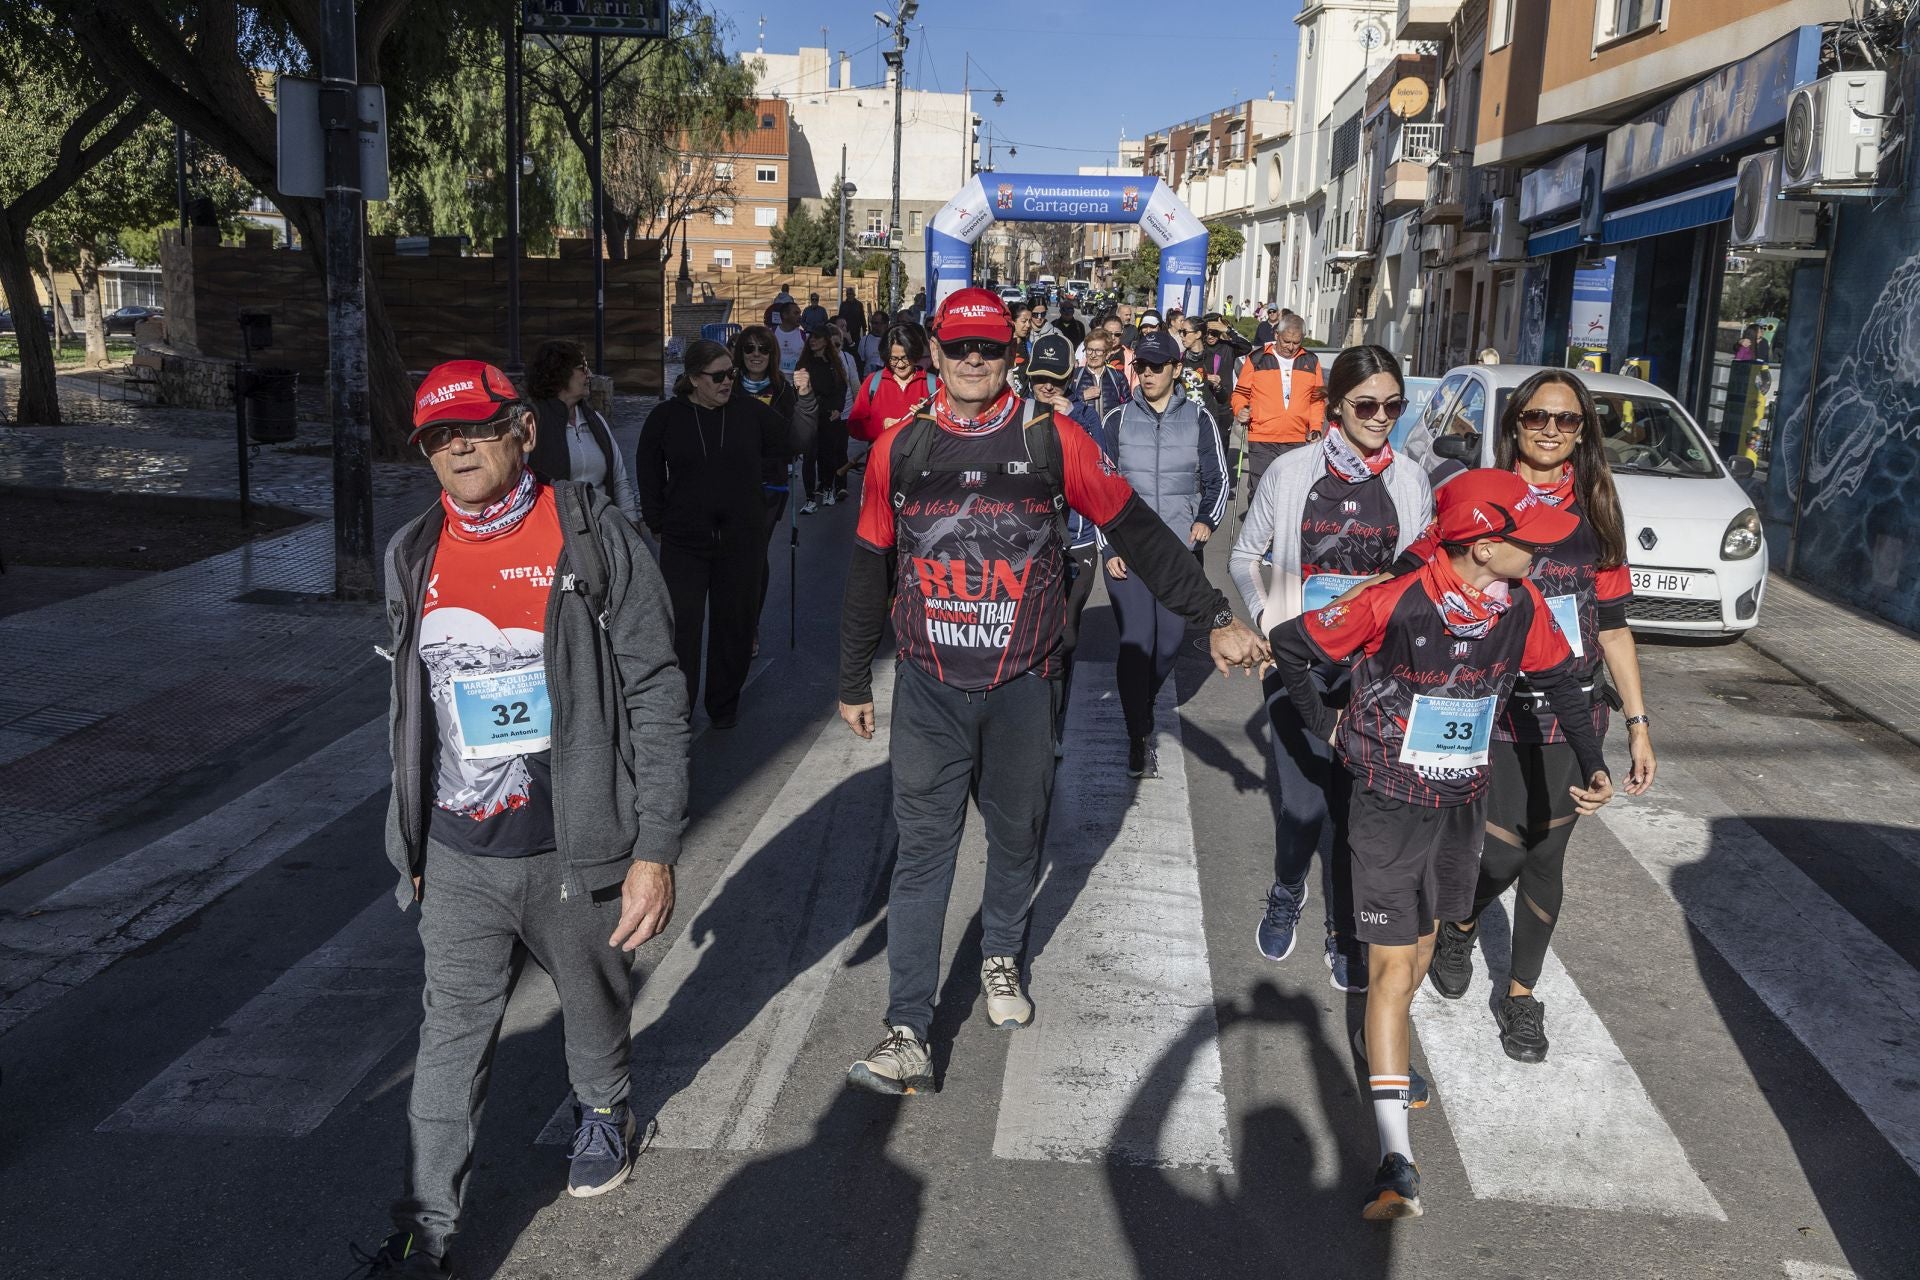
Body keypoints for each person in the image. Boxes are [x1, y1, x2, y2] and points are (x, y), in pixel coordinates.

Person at [836, 288, 1267, 1095]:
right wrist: (853, 677)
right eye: (959, 347)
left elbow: (1136, 528)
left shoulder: (1052, 439)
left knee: (1016, 838)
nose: (973, 361)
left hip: (1025, 683)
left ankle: (1001, 954)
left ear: (1010, 358)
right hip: (930, 687)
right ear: (934, 351)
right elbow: (870, 565)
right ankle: (907, 1028)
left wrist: (1211, 613)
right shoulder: (900, 447)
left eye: (989, 350)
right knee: (923, 857)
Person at [361, 360, 687, 1278]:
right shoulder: (412, 552)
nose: (457, 446)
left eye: (474, 427)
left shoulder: (592, 537)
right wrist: (412, 836)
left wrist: (655, 848)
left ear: (523, 430)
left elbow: (657, 690)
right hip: (460, 852)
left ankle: (604, 1106)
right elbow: (409, 710)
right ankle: (428, 1228)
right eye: (436, 436)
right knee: (450, 1035)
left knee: (594, 1002)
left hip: (574, 842)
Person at [1268, 468, 1613, 1221]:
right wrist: (1326, 728)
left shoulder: (1521, 605)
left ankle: (1384, 1052)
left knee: (1420, 956)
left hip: (1460, 801)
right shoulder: (1393, 599)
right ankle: (1395, 1162)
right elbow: (1290, 646)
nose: (1541, 554)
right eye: (1527, 542)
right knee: (1391, 970)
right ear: (1484, 546)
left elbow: (1562, 683)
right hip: (1388, 804)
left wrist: (1592, 761)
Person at [1424, 371, 1655, 1063]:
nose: (1550, 430)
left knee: (1547, 854)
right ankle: (1461, 918)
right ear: (1515, 424)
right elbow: (1432, 585)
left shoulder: (1597, 512)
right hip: (1486, 704)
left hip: (1571, 706)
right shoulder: (1478, 495)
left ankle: (1522, 995)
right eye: (1535, 417)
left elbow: (1613, 627)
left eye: (1566, 420)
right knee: (1498, 849)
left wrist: (1640, 723)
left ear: (1583, 431)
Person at [1230, 345, 1433, 993]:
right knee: (1299, 807)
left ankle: (1345, 927)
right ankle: (1287, 889)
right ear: (1337, 405)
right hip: (1302, 666)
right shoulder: (1291, 473)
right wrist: (1269, 623)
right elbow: (1243, 556)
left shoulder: (1408, 479)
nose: (1381, 418)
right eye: (1367, 405)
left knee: (1356, 813)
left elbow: (1419, 579)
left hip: (1376, 674)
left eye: (1393, 407)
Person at [636, 339, 793, 728]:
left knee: (734, 627)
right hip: (684, 541)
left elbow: (792, 443)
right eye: (718, 376)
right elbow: (648, 472)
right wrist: (657, 521)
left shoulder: (749, 413)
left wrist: (802, 401)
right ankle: (679, 710)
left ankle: (724, 706)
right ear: (692, 379)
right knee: (682, 630)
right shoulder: (666, 418)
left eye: (731, 374)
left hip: (741, 541)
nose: (728, 382)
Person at [1100, 329, 1229, 777]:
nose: (1149, 374)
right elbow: (1100, 489)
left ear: (1177, 369)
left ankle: (1143, 701)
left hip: (1178, 552)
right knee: (1137, 643)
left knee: (1170, 643)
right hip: (1128, 554)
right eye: (1142, 367)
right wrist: (1108, 544)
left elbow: (1219, 481)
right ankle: (1139, 734)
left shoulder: (1198, 418)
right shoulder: (1116, 420)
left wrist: (1206, 521)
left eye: (1158, 366)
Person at [1025, 332, 1104, 755]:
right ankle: (1030, 718)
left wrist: (1073, 417)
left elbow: (1102, 465)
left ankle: (1054, 723)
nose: (1048, 387)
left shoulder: (1086, 415)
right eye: (1040, 379)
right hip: (1028, 542)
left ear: (1069, 378)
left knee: (1066, 636)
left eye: (1055, 379)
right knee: (1031, 633)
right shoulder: (1017, 413)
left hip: (1076, 540)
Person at [731, 326, 818, 652]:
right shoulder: (726, 384)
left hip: (769, 485)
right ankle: (734, 618)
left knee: (753, 552)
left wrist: (806, 395)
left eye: (763, 349)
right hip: (730, 483)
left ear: (772, 354)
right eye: (750, 348)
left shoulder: (783, 389)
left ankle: (749, 624)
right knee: (732, 555)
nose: (756, 354)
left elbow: (800, 437)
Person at [525, 340, 639, 524]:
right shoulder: (532, 423)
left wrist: (632, 523)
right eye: (583, 368)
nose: (590, 375)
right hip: (555, 533)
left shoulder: (596, 421)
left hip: (603, 533)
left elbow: (619, 480)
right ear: (559, 373)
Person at [1232, 314, 1325, 502]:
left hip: (1297, 439)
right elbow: (1240, 394)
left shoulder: (1311, 361)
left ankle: (1283, 532)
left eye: (1296, 342)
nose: (1291, 347)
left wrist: (1315, 428)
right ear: (1277, 334)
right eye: (1286, 341)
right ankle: (1258, 531)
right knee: (1261, 492)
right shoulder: (1257, 359)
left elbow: (1316, 401)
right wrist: (1240, 409)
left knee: (1290, 494)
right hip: (1262, 438)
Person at [849, 323, 939, 444]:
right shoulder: (873, 382)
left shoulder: (933, 385)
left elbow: (947, 427)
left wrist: (927, 418)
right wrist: (882, 426)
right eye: (894, 359)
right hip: (882, 459)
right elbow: (854, 426)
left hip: (920, 461)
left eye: (905, 357)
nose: (900, 364)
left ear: (915, 354)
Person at [795, 322, 850, 511]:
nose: (813, 340)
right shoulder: (804, 363)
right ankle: (810, 498)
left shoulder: (834, 364)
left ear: (826, 340)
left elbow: (842, 387)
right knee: (809, 457)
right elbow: (798, 389)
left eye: (817, 337)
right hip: (809, 416)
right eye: (811, 337)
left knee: (827, 455)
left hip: (829, 415)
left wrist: (838, 408)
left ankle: (828, 488)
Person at [1066, 328, 1129, 421]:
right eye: (1089, 350)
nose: (1093, 355)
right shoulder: (1074, 375)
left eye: (1098, 351)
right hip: (1083, 433)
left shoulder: (1118, 376)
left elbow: (1128, 407)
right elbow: (1062, 403)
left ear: (1107, 354)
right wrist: (1081, 396)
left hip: (1110, 433)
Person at [772, 301, 806, 373]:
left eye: (800, 313)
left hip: (796, 381)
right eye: (796, 313)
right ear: (785, 315)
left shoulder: (804, 336)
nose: (800, 316)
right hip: (775, 379)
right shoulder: (771, 333)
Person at [858, 309, 889, 373]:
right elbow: (860, 362)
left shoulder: (891, 340)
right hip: (869, 378)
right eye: (872, 323)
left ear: (885, 324)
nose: (873, 326)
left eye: (876, 323)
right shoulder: (864, 340)